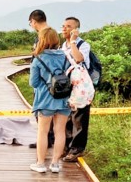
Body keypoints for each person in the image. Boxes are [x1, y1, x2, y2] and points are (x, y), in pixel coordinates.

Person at [28, 25, 71, 173]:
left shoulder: (38, 58)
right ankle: (55, 164)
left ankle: (40, 164)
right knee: (60, 131)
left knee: (43, 131)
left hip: (45, 100)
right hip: (64, 99)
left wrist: (44, 86)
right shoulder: (65, 56)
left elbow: (33, 83)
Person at [60, 16, 92, 162]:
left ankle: (77, 149)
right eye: (63, 26)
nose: (64, 28)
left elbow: (79, 59)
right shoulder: (62, 46)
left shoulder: (83, 45)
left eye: (68, 26)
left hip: (81, 87)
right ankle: (67, 147)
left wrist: (73, 41)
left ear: (76, 30)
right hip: (68, 85)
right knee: (67, 117)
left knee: (79, 117)